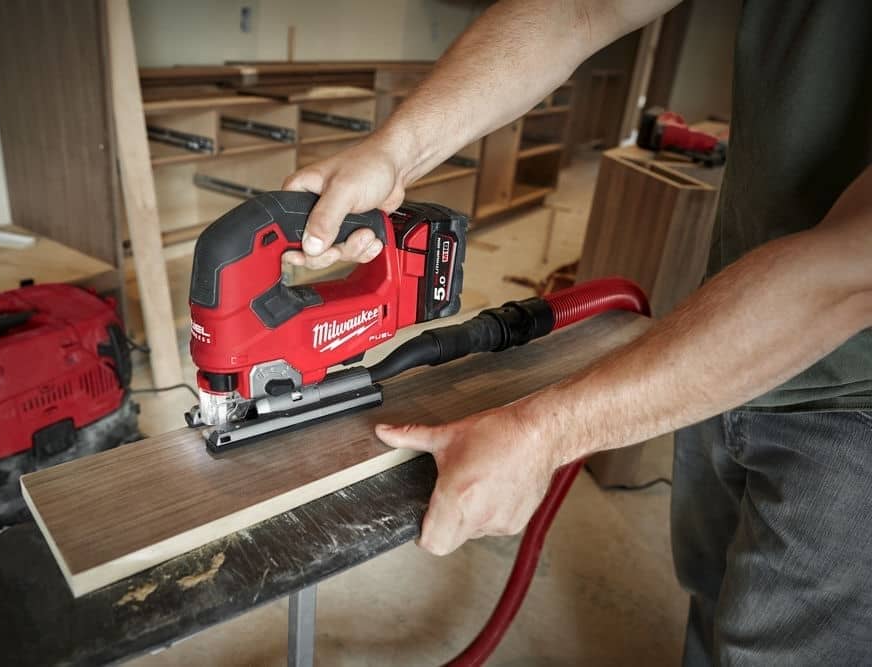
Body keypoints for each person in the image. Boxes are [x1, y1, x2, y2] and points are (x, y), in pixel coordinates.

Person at [283, 0, 872, 662]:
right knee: (712, 603)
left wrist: (544, 431)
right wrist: (393, 152)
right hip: (733, 329)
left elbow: (854, 269)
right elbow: (581, 8)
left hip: (854, 407)